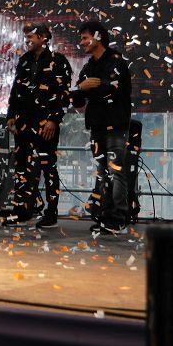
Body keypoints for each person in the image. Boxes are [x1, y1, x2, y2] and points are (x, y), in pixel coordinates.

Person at [6, 23, 73, 229]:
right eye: (26, 36)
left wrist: (54, 119)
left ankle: (51, 212)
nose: (27, 40)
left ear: (44, 37)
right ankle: (21, 210)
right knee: (22, 167)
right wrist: (11, 115)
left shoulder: (58, 61)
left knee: (48, 167)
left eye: (32, 36)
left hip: (46, 124)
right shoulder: (24, 60)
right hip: (23, 123)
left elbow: (64, 94)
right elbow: (16, 89)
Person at [69, 21, 132, 235]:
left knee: (116, 170)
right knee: (102, 172)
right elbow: (78, 98)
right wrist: (81, 87)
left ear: (98, 37)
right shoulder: (89, 66)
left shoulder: (116, 61)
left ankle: (119, 218)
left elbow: (118, 90)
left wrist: (92, 87)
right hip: (96, 126)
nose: (82, 42)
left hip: (115, 125)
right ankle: (106, 216)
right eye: (81, 38)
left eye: (85, 38)